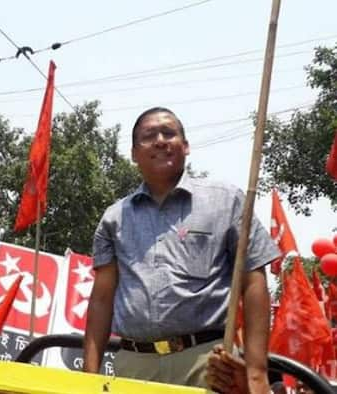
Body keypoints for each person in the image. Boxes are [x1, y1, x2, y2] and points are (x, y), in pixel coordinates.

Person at [83, 107, 280, 392]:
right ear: (134, 154)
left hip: (207, 363)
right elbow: (101, 299)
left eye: (169, 133)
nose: (161, 140)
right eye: (149, 136)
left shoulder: (227, 201)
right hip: (132, 365)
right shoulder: (114, 218)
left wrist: (256, 372)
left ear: (186, 147)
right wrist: (89, 376)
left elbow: (254, 282)